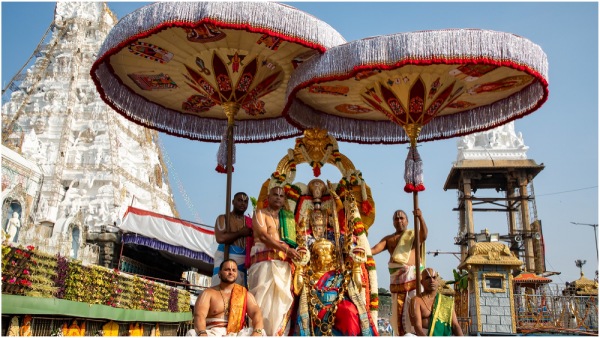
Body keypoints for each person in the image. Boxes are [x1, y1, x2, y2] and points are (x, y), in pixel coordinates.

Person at [247, 186, 300, 336]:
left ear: (284, 200)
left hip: (283, 267)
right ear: (268, 197)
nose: (278, 197)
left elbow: (295, 243)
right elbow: (263, 237)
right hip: (263, 264)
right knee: (261, 304)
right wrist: (286, 250)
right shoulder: (259, 214)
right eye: (275, 194)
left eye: (281, 196)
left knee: (282, 305)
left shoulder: (288, 219)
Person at [371, 209, 428, 336]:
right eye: (396, 218)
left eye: (402, 218)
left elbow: (424, 235)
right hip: (397, 282)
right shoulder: (389, 239)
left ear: (407, 221)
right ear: (393, 222)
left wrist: (420, 217)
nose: (399, 220)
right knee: (398, 314)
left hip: (413, 279)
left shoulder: (413, 235)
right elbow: (374, 249)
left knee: (414, 309)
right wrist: (360, 250)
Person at [189, 259, 265, 336]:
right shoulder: (208, 293)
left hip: (237, 333)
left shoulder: (244, 294)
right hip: (213, 333)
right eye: (227, 269)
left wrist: (257, 331)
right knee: (192, 333)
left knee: (261, 333)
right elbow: (199, 315)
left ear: (237, 273)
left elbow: (256, 313)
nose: (231, 272)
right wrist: (202, 333)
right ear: (219, 273)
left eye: (234, 270)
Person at [212, 192, 253, 287]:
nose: (243, 203)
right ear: (233, 202)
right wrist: (240, 233)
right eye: (240, 200)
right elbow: (220, 238)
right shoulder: (223, 218)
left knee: (237, 294)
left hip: (242, 261)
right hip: (224, 256)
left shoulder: (249, 222)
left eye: (245, 202)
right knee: (219, 289)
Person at [409, 268, 463, 336]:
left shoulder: (446, 301)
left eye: (434, 278)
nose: (431, 280)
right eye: (427, 278)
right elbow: (417, 327)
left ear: (437, 281)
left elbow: (455, 325)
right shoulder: (416, 300)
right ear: (422, 282)